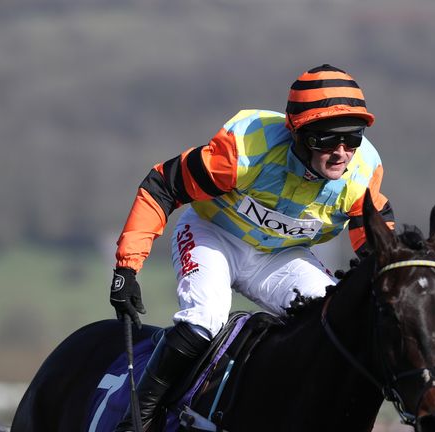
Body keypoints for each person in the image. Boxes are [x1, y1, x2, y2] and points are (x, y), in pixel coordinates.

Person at [108, 64, 395, 431]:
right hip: (214, 236)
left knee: (340, 323)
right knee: (204, 320)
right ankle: (136, 420)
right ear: (298, 133)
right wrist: (127, 267)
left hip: (281, 257)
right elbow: (162, 185)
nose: (342, 152)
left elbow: (379, 251)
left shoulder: (363, 172)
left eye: (352, 139)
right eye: (326, 140)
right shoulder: (246, 149)